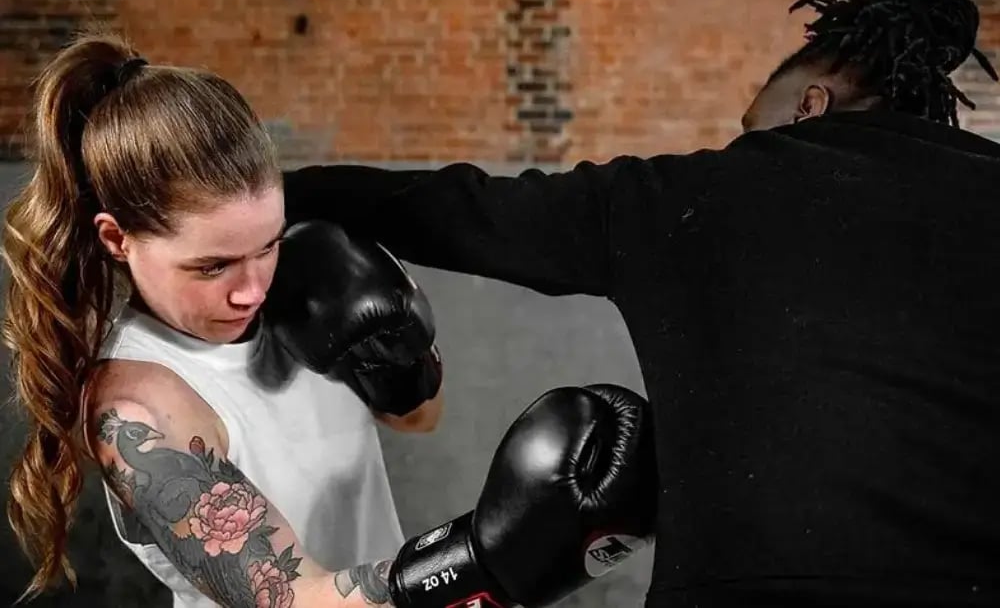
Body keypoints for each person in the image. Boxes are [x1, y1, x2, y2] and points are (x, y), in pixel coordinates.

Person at [280, 0, 1000, 607]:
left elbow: (456, 208)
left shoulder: (698, 195)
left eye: (751, 127)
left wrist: (264, 198)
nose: (740, 144)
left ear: (810, 105)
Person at [1, 30, 657, 608]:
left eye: (267, 245)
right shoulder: (137, 409)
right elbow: (297, 598)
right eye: (213, 266)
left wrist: (404, 366)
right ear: (118, 239)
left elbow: (418, 418)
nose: (252, 288)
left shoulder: (299, 279)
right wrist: (488, 552)